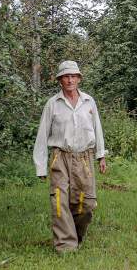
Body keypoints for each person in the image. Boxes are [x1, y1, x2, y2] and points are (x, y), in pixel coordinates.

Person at [33, 60, 107, 252]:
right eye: (66, 76)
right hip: (60, 157)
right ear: (60, 80)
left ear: (79, 79)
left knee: (86, 202)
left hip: (84, 158)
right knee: (59, 201)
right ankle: (65, 245)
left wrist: (101, 155)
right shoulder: (52, 104)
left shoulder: (89, 102)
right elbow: (42, 135)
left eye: (73, 76)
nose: (70, 80)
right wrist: (40, 166)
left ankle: (75, 234)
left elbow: (97, 128)